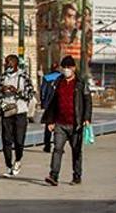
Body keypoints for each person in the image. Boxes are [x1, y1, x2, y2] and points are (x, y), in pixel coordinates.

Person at [41, 55, 92, 186]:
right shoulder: (58, 82)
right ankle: (53, 176)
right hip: (60, 123)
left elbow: (87, 102)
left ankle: (77, 176)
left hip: (76, 124)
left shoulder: (80, 83)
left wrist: (86, 118)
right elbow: (53, 103)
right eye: (64, 67)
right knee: (57, 149)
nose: (66, 70)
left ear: (74, 68)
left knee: (76, 150)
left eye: (68, 67)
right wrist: (50, 120)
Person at [0, 54, 35, 177]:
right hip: (7, 111)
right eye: (6, 62)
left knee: (19, 140)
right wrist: (2, 90)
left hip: (20, 111)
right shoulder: (3, 77)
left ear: (15, 64)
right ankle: (8, 165)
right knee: (6, 140)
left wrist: (17, 91)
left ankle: (18, 160)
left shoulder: (23, 76)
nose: (7, 65)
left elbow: (30, 94)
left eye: (10, 62)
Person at [40, 63, 61, 153]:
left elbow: (43, 91)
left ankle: (47, 145)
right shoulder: (62, 77)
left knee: (48, 126)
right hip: (60, 104)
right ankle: (58, 145)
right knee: (59, 126)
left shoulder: (46, 78)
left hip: (49, 105)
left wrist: (43, 103)